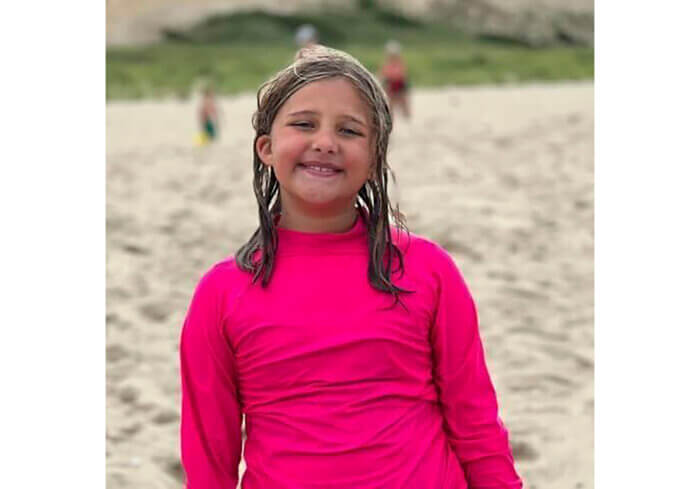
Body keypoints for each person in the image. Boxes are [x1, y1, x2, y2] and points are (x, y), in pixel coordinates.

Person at [179, 45, 523, 489]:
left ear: (375, 157)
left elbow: (475, 422)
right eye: (304, 124)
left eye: (349, 130)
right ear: (266, 147)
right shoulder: (222, 293)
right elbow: (209, 455)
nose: (325, 142)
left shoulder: (428, 271)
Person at [379, 40, 411, 119]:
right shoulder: (387, 63)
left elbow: (403, 75)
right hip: (391, 82)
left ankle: (406, 117)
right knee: (391, 102)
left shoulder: (399, 62)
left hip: (398, 82)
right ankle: (391, 117)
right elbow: (383, 75)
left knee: (403, 102)